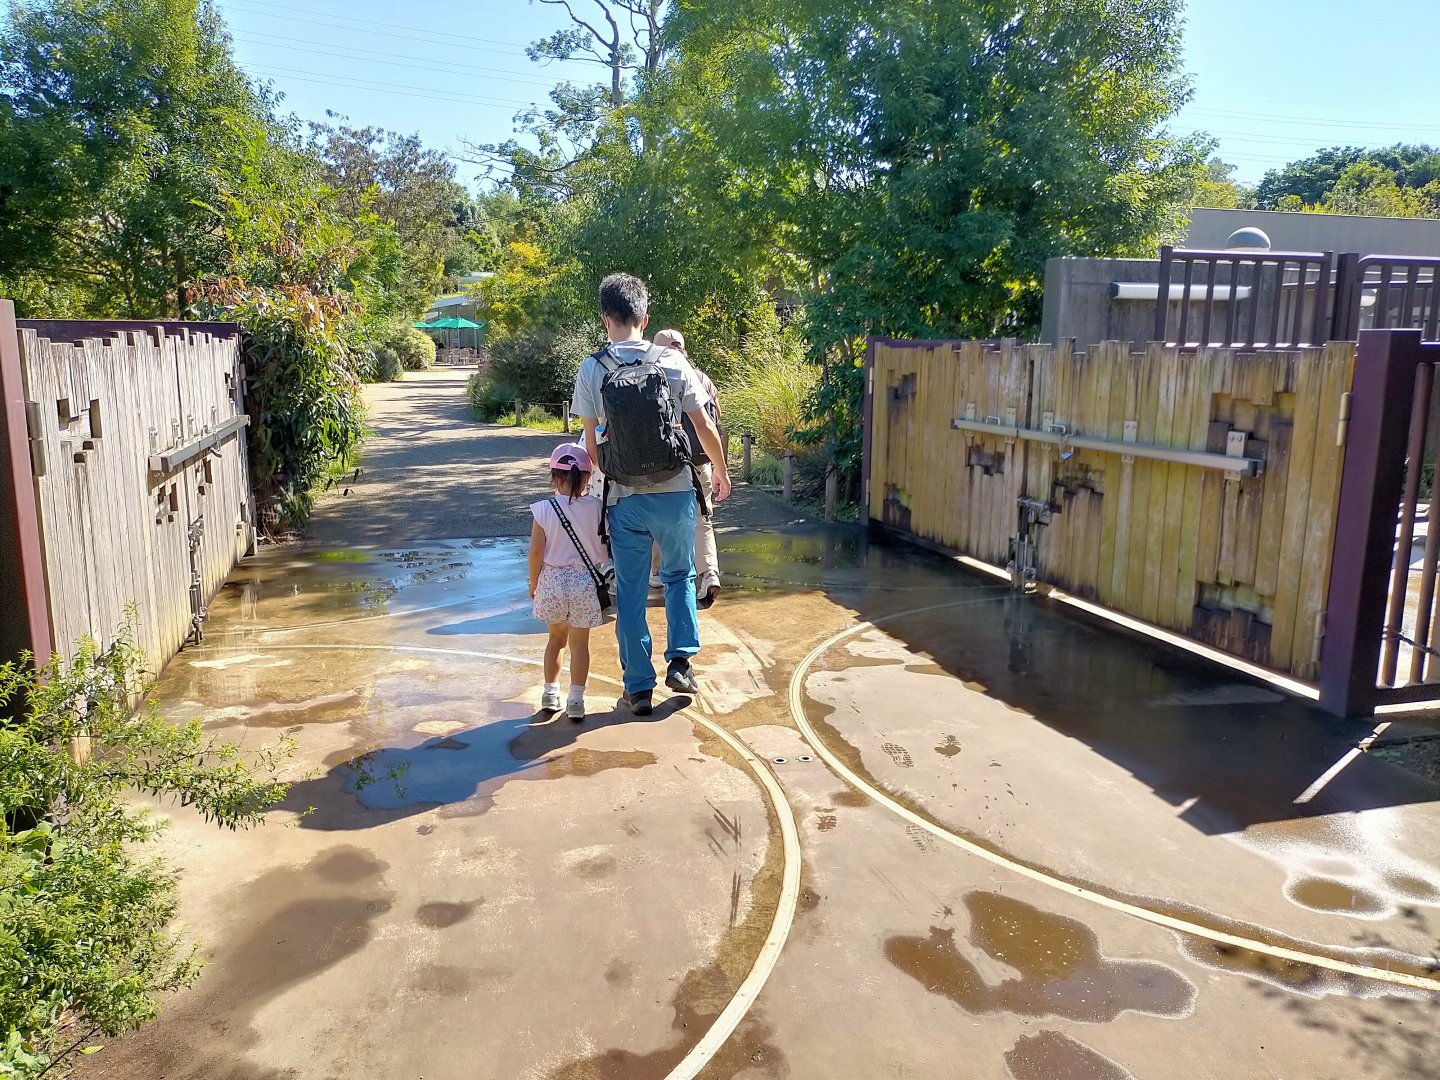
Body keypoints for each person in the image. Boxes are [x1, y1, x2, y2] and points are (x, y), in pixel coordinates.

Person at [571, 273, 731, 716]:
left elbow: (590, 448)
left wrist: (616, 476)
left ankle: (638, 688)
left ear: (606, 318)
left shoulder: (593, 368)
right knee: (680, 575)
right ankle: (680, 662)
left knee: (631, 590)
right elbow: (703, 425)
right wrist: (718, 470)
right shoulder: (673, 363)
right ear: (645, 317)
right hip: (677, 491)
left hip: (624, 499)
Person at [528, 442, 608, 722]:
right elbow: (603, 546)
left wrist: (533, 582)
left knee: (555, 640)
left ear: (553, 477)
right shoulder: (597, 508)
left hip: (552, 580)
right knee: (579, 644)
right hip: (584, 582)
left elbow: (536, 551)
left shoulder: (543, 509)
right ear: (588, 478)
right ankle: (576, 699)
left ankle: (550, 693)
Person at [649, 328, 724, 609]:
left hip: (664, 462)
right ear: (684, 348)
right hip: (701, 461)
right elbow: (712, 424)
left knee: (658, 516)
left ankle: (657, 571)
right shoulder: (702, 378)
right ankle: (709, 573)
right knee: (702, 519)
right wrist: (721, 467)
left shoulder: (649, 375)